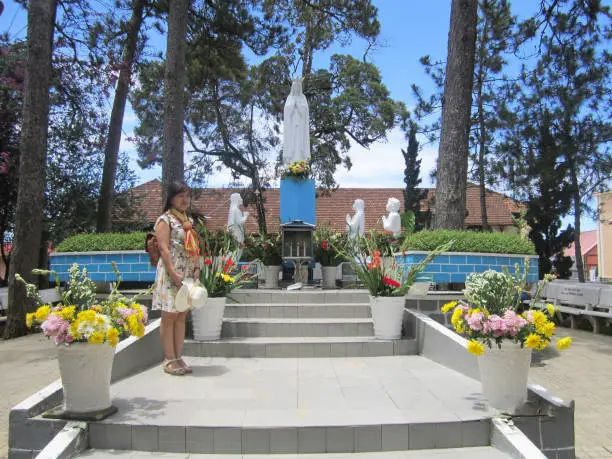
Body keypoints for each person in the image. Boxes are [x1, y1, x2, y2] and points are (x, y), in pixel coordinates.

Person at [152, 181, 201, 376]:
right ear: (171, 198)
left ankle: (178, 356)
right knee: (169, 315)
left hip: (187, 273)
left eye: (187, 196)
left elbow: (195, 246)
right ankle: (168, 358)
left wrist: (197, 267)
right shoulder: (165, 220)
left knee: (182, 315)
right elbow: (164, 248)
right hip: (172, 272)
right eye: (181, 195)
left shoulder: (188, 221)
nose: (185, 200)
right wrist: (173, 272)